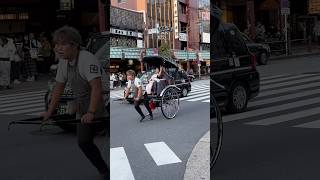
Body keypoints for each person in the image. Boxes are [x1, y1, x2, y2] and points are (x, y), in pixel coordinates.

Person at [41, 26, 108, 179]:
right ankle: (104, 170)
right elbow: (58, 88)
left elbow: (96, 88)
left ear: (75, 45)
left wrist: (91, 112)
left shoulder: (86, 58)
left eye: (63, 44)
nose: (58, 48)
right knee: (83, 141)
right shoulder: (64, 62)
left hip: (103, 103)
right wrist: (49, 112)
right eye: (57, 45)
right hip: (84, 106)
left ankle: (109, 170)